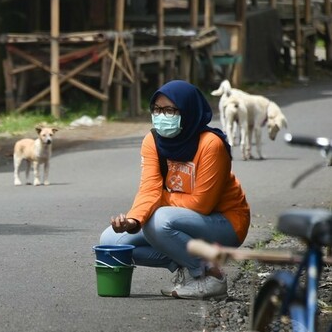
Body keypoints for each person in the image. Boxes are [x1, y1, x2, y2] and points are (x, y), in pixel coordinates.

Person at [100, 80, 250, 299]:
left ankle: (211, 276)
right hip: (180, 218)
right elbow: (149, 188)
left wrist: (157, 202)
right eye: (157, 109)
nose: (162, 116)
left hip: (225, 222)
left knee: (158, 220)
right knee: (112, 241)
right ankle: (184, 262)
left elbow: (202, 203)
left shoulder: (211, 144)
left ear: (188, 111)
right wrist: (133, 221)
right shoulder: (153, 141)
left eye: (170, 110)